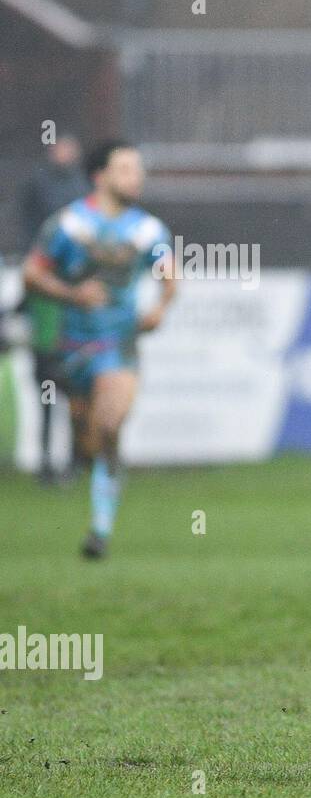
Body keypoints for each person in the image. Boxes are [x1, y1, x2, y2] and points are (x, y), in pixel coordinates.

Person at [21, 140, 178, 558]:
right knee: (89, 439)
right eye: (126, 169)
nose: (136, 176)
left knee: (110, 425)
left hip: (119, 345)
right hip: (73, 349)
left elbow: (169, 274)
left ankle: (100, 531)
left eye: (137, 168)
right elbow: (31, 275)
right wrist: (72, 294)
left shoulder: (147, 229)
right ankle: (90, 456)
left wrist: (160, 308)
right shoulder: (68, 225)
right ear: (100, 176)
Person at [21, 135, 89, 484]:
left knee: (77, 403)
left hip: (70, 350)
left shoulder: (77, 283)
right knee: (48, 400)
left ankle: (76, 462)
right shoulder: (37, 281)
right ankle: (48, 462)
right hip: (49, 352)